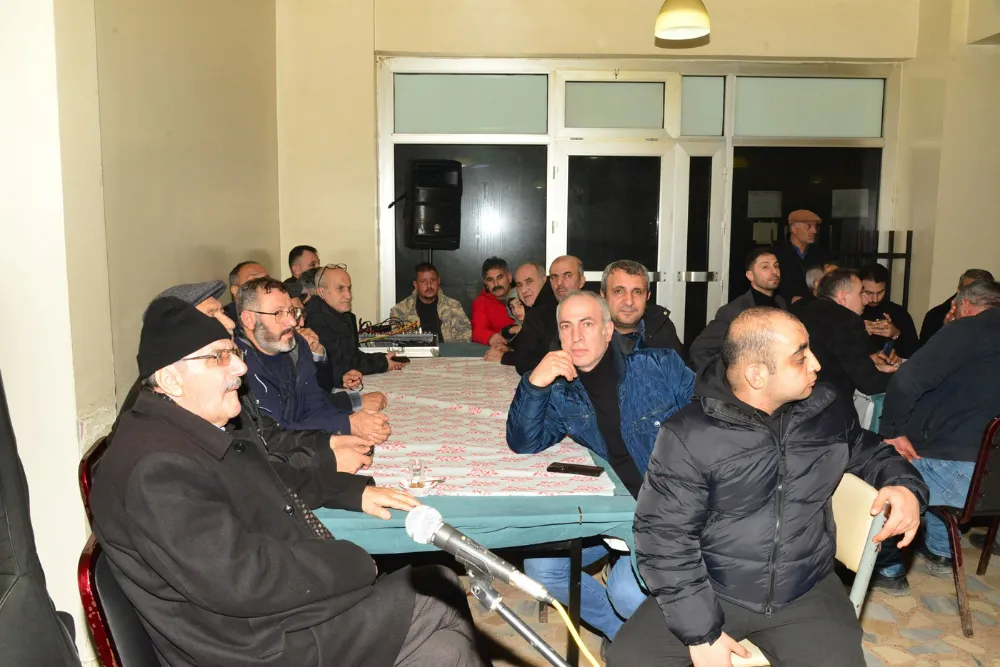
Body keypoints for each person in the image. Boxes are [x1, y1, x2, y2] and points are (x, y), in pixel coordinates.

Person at [89, 296, 486, 667]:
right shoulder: (156, 469)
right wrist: (354, 561)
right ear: (172, 379)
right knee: (436, 591)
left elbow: (265, 474)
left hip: (262, 620)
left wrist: (352, 491)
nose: (240, 368)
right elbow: (244, 578)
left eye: (234, 352)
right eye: (219, 357)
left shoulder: (184, 427)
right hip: (253, 646)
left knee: (446, 649)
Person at [607, 307, 927, 667]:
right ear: (757, 374)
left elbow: (870, 451)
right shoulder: (689, 434)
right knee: (630, 659)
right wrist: (702, 633)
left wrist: (903, 485)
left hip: (805, 588)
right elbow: (663, 536)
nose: (816, 364)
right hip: (713, 585)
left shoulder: (824, 410)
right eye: (800, 357)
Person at [507, 291, 695, 644]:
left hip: (673, 511)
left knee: (625, 591)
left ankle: (672, 642)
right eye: (566, 326)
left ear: (608, 331)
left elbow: (712, 424)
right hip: (618, 513)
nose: (576, 336)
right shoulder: (563, 392)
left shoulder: (658, 367)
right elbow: (523, 441)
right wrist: (534, 383)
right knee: (542, 568)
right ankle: (624, 637)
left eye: (587, 324)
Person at [877, 280, 1000, 572]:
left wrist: (892, 432)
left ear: (964, 305)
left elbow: (907, 380)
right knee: (929, 457)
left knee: (881, 478)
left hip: (964, 472)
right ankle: (943, 550)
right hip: (991, 476)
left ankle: (888, 571)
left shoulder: (967, 330)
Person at [236, 277, 391, 444]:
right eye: (278, 313)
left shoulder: (297, 345)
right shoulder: (238, 368)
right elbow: (272, 436)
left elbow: (315, 407)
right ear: (249, 320)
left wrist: (354, 420)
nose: (292, 321)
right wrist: (346, 425)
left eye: (291, 311)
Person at [796, 268, 897, 401]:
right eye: (861, 293)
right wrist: (902, 376)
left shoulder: (799, 311)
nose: (865, 301)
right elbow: (870, 383)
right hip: (828, 404)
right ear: (843, 297)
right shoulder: (847, 320)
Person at [306, 264, 405, 384]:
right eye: (340, 289)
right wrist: (382, 363)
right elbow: (340, 365)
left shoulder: (346, 316)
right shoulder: (314, 320)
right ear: (322, 292)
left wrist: (384, 358)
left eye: (349, 288)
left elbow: (353, 356)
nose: (349, 296)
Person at [689, 248, 786, 370]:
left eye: (776, 266)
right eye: (765, 267)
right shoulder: (735, 310)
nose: (774, 272)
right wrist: (728, 377)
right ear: (750, 275)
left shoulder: (780, 303)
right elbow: (700, 350)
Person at [509, 255, 586, 375]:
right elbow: (523, 362)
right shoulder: (536, 316)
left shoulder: (598, 311)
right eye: (554, 277)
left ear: (581, 281)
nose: (559, 282)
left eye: (567, 275)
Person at [600, 260, 684, 358]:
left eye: (637, 292)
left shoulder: (661, 326)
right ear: (603, 296)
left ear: (647, 296)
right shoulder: (588, 334)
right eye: (619, 291)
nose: (629, 301)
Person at [484, 262, 551, 364]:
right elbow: (530, 346)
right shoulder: (534, 311)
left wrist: (504, 357)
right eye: (519, 285)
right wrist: (509, 348)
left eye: (529, 282)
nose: (523, 290)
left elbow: (547, 357)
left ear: (544, 280)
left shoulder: (552, 308)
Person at [390, 262, 472, 343]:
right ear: (415, 284)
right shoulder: (400, 310)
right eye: (423, 281)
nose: (429, 285)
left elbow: (465, 338)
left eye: (432, 280)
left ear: (438, 281)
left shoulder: (453, 306)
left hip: (447, 351)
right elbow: (395, 343)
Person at [919, 268, 995, 345]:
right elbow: (928, 350)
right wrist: (949, 331)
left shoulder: (995, 316)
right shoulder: (935, 317)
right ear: (959, 291)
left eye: (982, 294)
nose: (975, 299)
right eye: (970, 293)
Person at [859, 263, 920, 359]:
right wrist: (859, 332)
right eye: (868, 293)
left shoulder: (898, 313)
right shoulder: (850, 312)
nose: (875, 299)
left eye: (880, 292)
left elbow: (915, 354)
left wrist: (896, 334)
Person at [772, 209, 833, 304]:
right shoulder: (776, 254)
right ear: (793, 228)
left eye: (815, 226)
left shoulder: (821, 254)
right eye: (809, 226)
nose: (814, 231)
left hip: (815, 305)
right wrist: (788, 298)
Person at [471, 256, 515, 347]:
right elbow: (478, 331)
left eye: (500, 277)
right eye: (490, 280)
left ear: (509, 277)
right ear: (486, 284)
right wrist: (490, 337)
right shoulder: (481, 302)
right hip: (498, 349)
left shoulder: (523, 294)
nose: (496, 284)